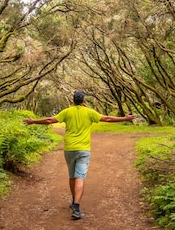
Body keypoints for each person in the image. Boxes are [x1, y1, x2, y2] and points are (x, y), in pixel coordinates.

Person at [23, 90, 137, 220]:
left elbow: (50, 120)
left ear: (73, 100)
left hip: (69, 149)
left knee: (72, 176)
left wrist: (33, 121)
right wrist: (125, 118)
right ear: (83, 100)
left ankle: (73, 201)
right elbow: (107, 118)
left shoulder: (67, 111)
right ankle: (76, 207)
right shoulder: (89, 112)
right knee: (80, 177)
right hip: (83, 150)